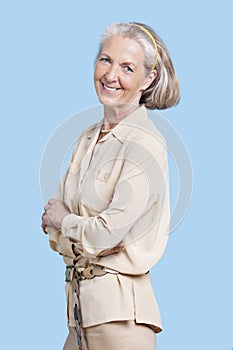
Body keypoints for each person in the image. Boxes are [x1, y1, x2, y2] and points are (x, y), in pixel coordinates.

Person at [41, 22, 180, 350]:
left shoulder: (145, 144)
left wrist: (67, 222)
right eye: (105, 60)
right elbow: (52, 227)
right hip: (78, 315)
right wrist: (82, 232)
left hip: (121, 320)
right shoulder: (86, 139)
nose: (111, 74)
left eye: (127, 67)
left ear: (149, 79)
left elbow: (99, 231)